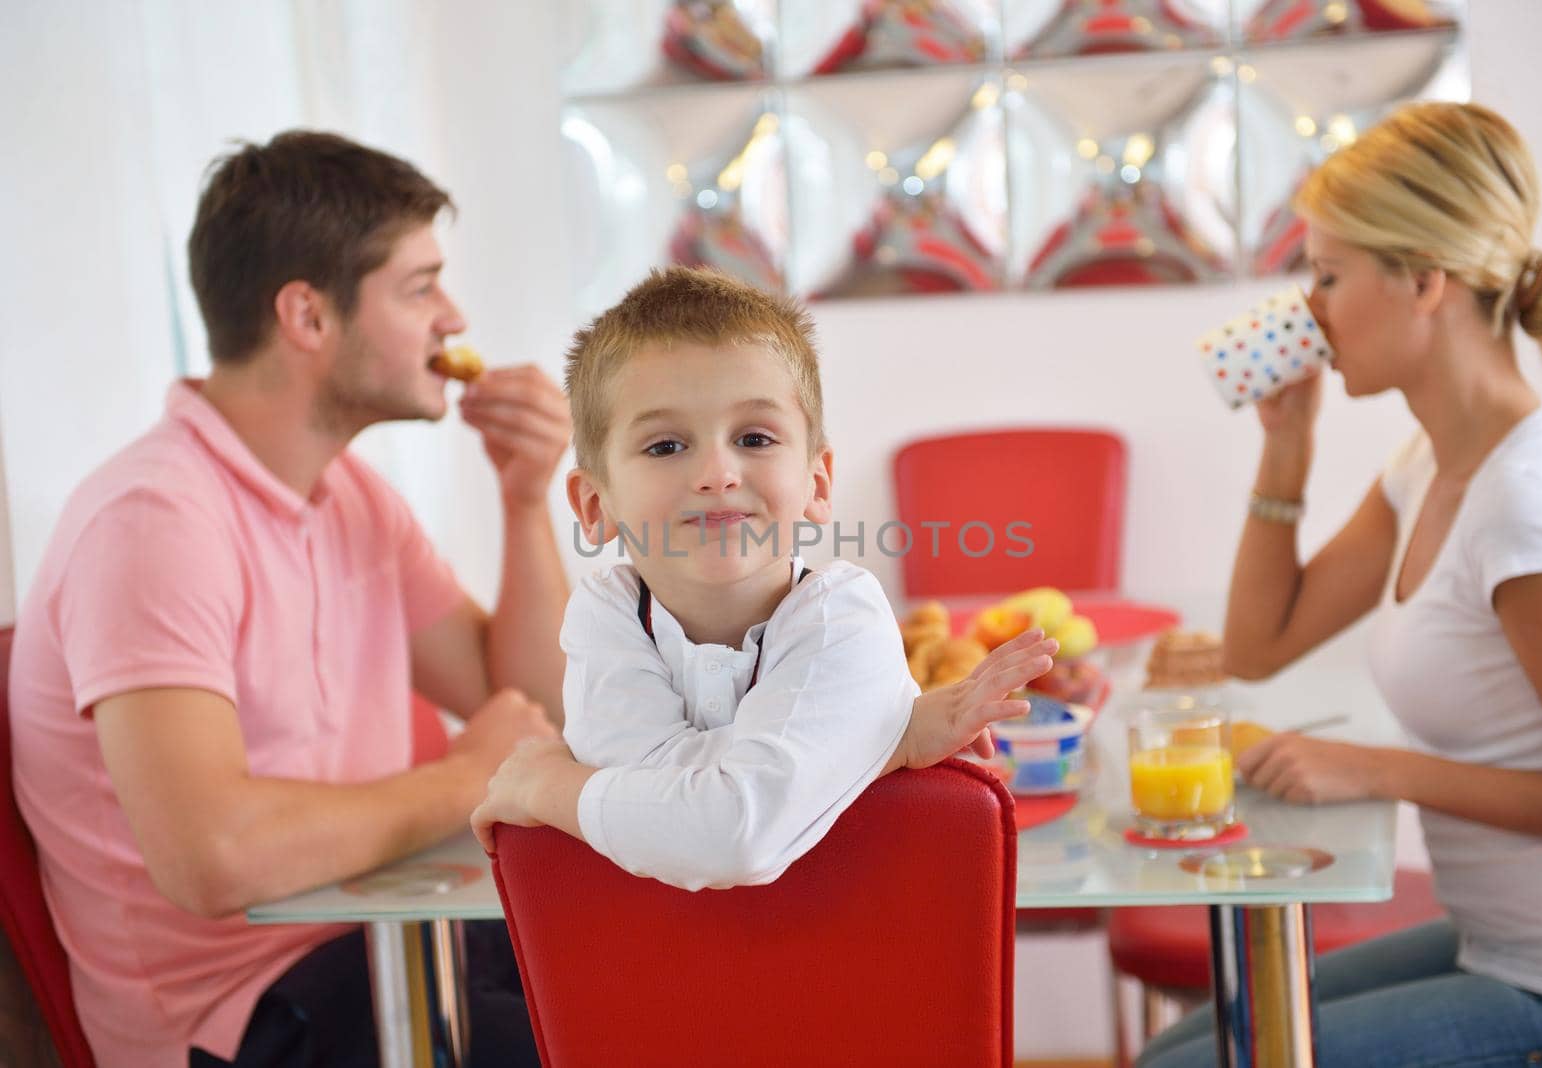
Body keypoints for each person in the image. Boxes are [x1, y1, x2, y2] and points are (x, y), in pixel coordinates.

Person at [8, 131, 573, 1067]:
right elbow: (212, 854)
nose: (454, 317)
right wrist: (467, 781)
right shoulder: (154, 521)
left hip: (375, 942)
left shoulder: (352, 497)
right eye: (420, 286)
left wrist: (523, 499)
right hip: (237, 1011)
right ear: (307, 317)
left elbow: (526, 698)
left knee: (669, 983)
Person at [1140, 101, 1542, 1066]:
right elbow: (1264, 644)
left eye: (1328, 275)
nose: (1308, 309)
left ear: (1424, 281)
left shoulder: (1525, 503)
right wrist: (1287, 446)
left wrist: (1374, 768)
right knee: (1196, 1042)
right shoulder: (1428, 465)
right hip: (1506, 948)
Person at [470, 266, 1057, 888]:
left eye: (754, 437)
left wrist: (548, 785)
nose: (718, 472)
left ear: (817, 483)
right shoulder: (603, 615)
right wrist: (867, 750)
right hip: (662, 976)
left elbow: (728, 836)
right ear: (595, 506)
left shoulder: (844, 616)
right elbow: (700, 815)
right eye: (666, 446)